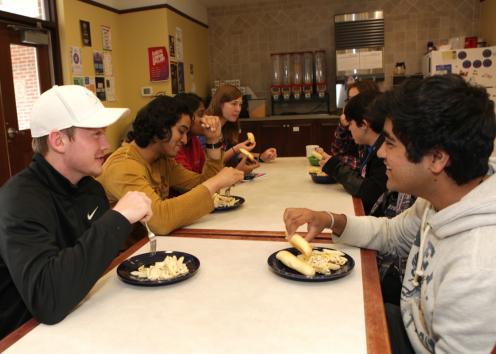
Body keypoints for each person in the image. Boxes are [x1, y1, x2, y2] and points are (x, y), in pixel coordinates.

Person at [284, 75, 496, 354]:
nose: (380, 152)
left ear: (437, 158)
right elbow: (391, 233)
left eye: (392, 143)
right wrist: (329, 219)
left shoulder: (478, 271)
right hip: (408, 324)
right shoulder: (441, 199)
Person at [0, 85, 152, 339]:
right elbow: (47, 300)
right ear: (58, 141)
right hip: (24, 338)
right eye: (95, 134)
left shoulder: (90, 189)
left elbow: (97, 265)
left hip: (82, 318)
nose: (106, 144)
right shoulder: (18, 202)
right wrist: (118, 219)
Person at [98, 95, 244, 236]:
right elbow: (159, 221)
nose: (185, 140)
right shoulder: (123, 166)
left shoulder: (161, 159)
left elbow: (200, 183)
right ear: (161, 128)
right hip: (127, 254)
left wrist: (213, 140)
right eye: (181, 131)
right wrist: (217, 181)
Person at [319, 91, 387, 214]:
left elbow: (370, 192)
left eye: (350, 123)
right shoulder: (370, 147)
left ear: (364, 124)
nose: (349, 128)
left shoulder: (382, 153)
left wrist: (335, 167)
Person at [206, 85, 277, 173]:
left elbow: (235, 156)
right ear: (220, 104)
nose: (238, 109)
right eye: (234, 104)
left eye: (240, 104)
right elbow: (210, 163)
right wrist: (236, 149)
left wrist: (261, 156)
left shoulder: (228, 126)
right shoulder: (207, 127)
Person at [329, 80, 380, 170]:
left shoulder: (374, 129)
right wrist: (343, 127)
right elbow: (337, 152)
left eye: (355, 99)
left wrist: (336, 162)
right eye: (349, 100)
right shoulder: (355, 124)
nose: (349, 105)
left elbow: (364, 168)